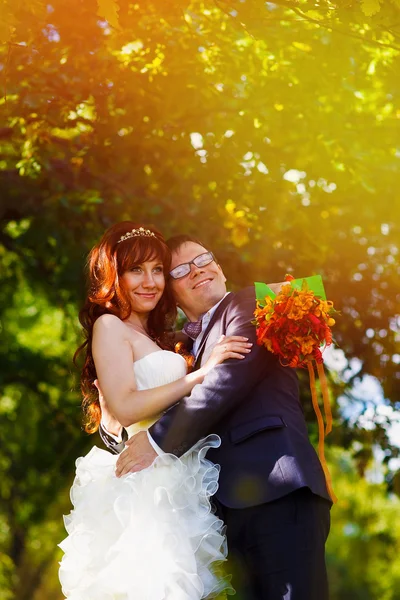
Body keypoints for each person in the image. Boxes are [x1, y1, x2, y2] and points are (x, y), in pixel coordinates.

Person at [101, 234, 333, 600]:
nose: (197, 270)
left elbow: (227, 379)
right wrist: (117, 424)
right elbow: (145, 396)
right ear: (170, 293)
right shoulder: (183, 350)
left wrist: (158, 441)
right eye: (179, 270)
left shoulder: (248, 303)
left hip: (278, 487)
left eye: (203, 259)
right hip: (220, 513)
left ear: (220, 267)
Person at [59, 222, 250, 599]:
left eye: (158, 270)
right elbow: (127, 407)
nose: (150, 282)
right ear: (115, 276)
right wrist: (200, 376)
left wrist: (288, 291)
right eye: (135, 270)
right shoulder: (109, 326)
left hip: (179, 479)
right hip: (145, 487)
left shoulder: (163, 338)